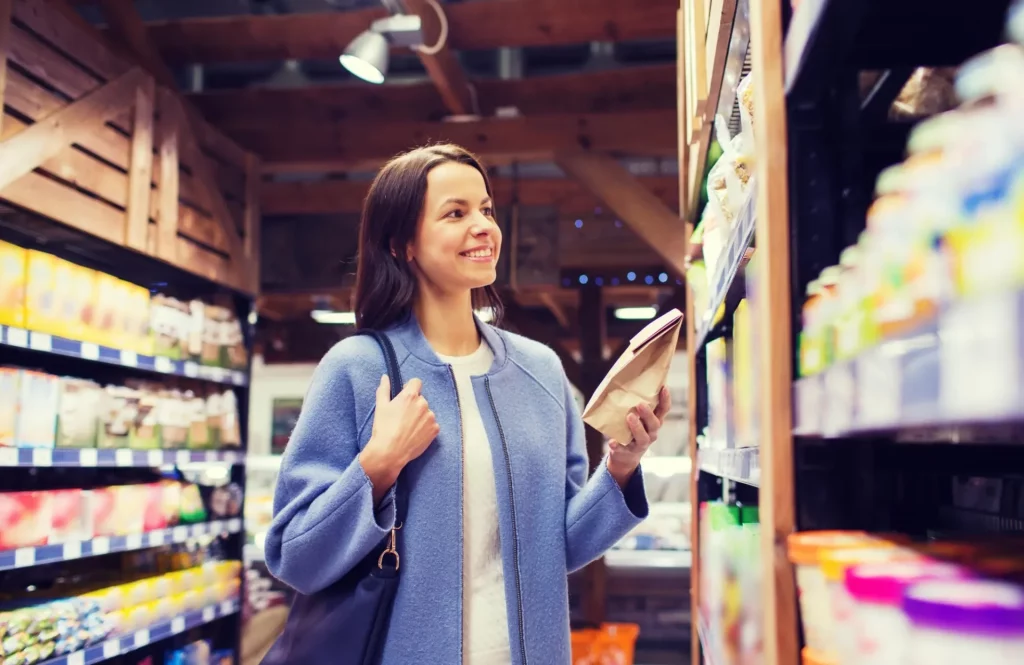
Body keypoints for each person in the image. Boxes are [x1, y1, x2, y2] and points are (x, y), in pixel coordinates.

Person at [263, 144, 670, 665]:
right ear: (402, 244)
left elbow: (560, 548)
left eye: (486, 210)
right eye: (456, 213)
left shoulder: (540, 371)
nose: (483, 227)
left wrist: (620, 465)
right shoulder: (357, 369)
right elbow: (295, 556)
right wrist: (378, 464)